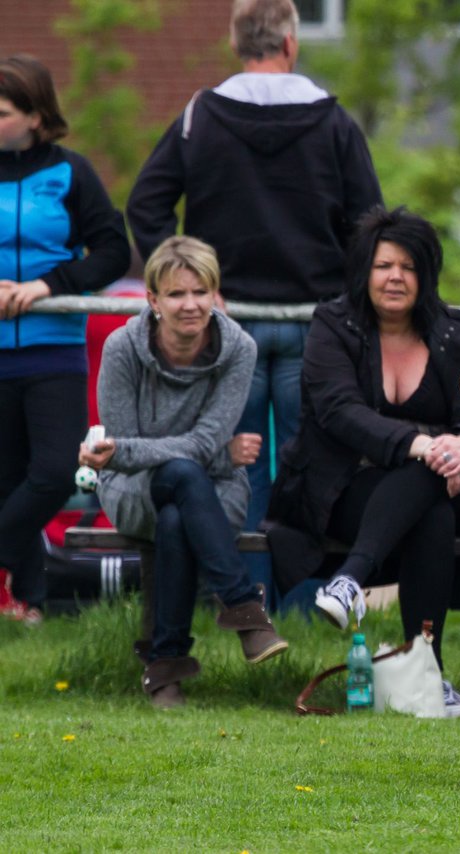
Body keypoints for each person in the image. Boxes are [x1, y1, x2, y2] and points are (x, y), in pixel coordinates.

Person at [126, 0, 384, 604]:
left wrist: (182, 283)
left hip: (225, 321)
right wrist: (348, 297)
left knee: (233, 469)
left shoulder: (200, 117)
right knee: (312, 470)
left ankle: (240, 603)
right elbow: (371, 224)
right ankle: (305, 606)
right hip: (314, 323)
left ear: (237, 43)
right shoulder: (334, 122)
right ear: (291, 43)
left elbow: (145, 205)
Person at [266, 206, 460, 717]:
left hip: (439, 491)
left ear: (426, 273)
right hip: (339, 492)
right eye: (383, 265)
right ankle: (429, 673)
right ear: (363, 271)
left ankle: (353, 583)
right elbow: (339, 411)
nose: (396, 276)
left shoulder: (454, 331)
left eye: (408, 266)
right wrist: (428, 446)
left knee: (432, 504)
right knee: (428, 486)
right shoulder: (333, 324)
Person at [82, 236, 287, 708]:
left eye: (201, 292)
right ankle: (243, 607)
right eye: (176, 294)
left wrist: (202, 455)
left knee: (179, 504)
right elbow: (123, 457)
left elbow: (175, 446)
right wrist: (217, 454)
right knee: (180, 476)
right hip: (133, 492)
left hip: (214, 493)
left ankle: (165, 665)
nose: (190, 305)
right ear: (152, 300)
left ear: (217, 296)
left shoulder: (240, 348)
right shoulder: (121, 347)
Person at [0, 55, 131, 624]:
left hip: (55, 351)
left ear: (34, 116)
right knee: (8, 481)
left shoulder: (72, 172)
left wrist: (47, 284)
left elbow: (112, 250)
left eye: (2, 112)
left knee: (54, 471)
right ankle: (32, 603)